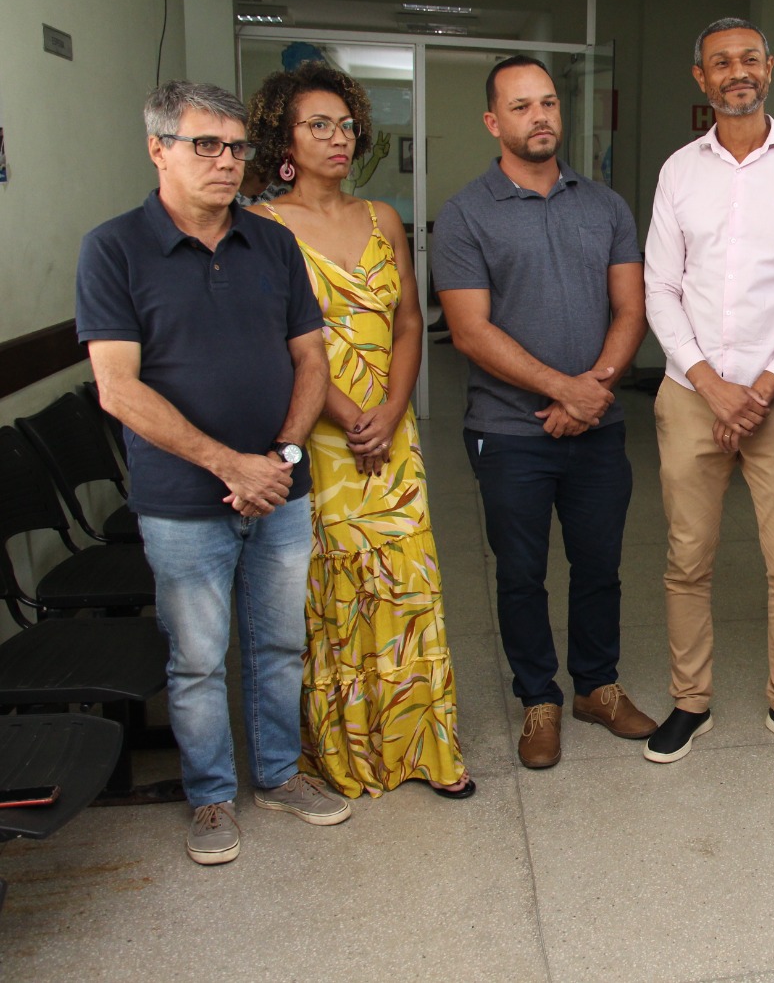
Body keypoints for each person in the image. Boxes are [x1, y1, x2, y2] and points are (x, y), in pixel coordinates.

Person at [76, 81, 349, 866]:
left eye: (236, 147)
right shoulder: (115, 248)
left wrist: (282, 457)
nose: (227, 161)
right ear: (157, 149)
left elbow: (311, 359)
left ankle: (279, 776)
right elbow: (118, 388)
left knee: (280, 645)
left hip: (280, 491)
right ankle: (209, 798)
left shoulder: (271, 244)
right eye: (206, 145)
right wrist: (231, 465)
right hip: (181, 502)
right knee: (197, 660)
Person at [244, 62, 471, 800]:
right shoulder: (262, 226)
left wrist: (394, 408)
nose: (338, 138)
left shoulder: (381, 219)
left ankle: (422, 748)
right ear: (283, 139)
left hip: (391, 431)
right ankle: (346, 752)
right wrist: (345, 415)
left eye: (346, 126)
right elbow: (272, 340)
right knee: (338, 587)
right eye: (318, 125)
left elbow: (407, 321)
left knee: (406, 583)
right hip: (318, 432)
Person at [433, 55, 656, 770]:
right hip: (508, 432)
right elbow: (469, 331)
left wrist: (593, 393)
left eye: (549, 103)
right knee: (520, 573)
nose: (540, 117)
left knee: (599, 565)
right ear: (492, 121)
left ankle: (596, 686)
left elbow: (631, 310)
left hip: (598, 427)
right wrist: (566, 390)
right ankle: (539, 698)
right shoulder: (465, 214)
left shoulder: (607, 206)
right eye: (522, 106)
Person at [642, 17, 774, 765]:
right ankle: (689, 702)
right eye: (721, 62)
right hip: (691, 392)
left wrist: (758, 390)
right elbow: (660, 287)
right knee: (686, 558)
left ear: (769, 67)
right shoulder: (678, 172)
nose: (738, 73)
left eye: (750, 59)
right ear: (701, 77)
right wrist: (710, 383)